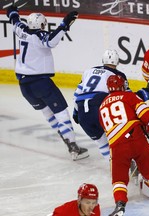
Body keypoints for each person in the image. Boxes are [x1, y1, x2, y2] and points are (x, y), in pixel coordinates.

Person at [6, 6, 88, 161]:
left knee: (48, 114)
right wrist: (64, 24)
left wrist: (12, 11)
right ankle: (73, 146)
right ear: (41, 25)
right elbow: (51, 41)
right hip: (41, 83)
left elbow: (14, 21)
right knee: (62, 112)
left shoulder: (21, 30)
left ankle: (66, 140)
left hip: (24, 86)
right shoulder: (39, 36)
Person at [99, 75, 149, 216]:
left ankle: (120, 206)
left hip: (117, 146)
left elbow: (107, 130)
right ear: (123, 85)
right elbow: (147, 116)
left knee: (119, 179)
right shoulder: (129, 96)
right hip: (137, 139)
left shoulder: (102, 106)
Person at [73, 49, 149, 160]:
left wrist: (76, 112)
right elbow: (128, 99)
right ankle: (135, 162)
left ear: (102, 60)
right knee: (123, 134)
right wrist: (145, 93)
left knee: (101, 143)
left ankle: (115, 166)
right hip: (99, 107)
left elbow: (76, 94)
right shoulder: (118, 75)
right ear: (117, 62)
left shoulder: (88, 71)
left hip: (83, 113)